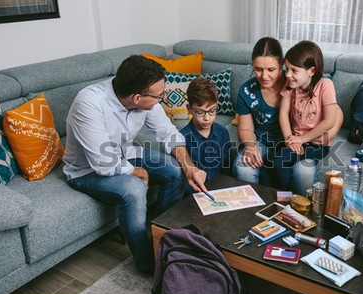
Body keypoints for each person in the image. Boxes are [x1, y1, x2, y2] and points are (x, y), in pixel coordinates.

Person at [62, 55, 207, 274]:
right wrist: (135, 171)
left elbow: (168, 133)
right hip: (86, 171)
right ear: (137, 98)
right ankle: (148, 264)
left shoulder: (143, 98)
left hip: (125, 154)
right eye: (160, 96)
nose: (163, 98)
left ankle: (164, 239)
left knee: (174, 170)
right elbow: (103, 162)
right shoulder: (90, 103)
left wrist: (189, 166)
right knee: (135, 187)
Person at [275, 40, 344, 195]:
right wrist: (289, 138)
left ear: (311, 71)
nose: (288, 74)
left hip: (317, 143)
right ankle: (283, 196)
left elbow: (329, 121)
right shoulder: (289, 86)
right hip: (296, 139)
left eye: (294, 70)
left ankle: (288, 197)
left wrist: (302, 139)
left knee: (284, 159)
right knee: (278, 159)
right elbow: (283, 114)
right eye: (287, 69)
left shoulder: (325, 85)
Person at [233, 37, 286, 187]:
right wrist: (250, 146)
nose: (264, 76)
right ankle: (253, 210)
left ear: (281, 65)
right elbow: (245, 128)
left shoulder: (294, 83)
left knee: (304, 172)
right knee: (243, 168)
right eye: (258, 69)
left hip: (291, 144)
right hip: (261, 141)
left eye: (271, 70)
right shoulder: (246, 90)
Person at [180, 77, 231, 193]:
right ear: (189, 109)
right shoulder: (182, 137)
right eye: (200, 112)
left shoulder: (223, 132)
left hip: (220, 188)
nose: (207, 118)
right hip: (194, 191)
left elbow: (226, 168)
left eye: (212, 111)